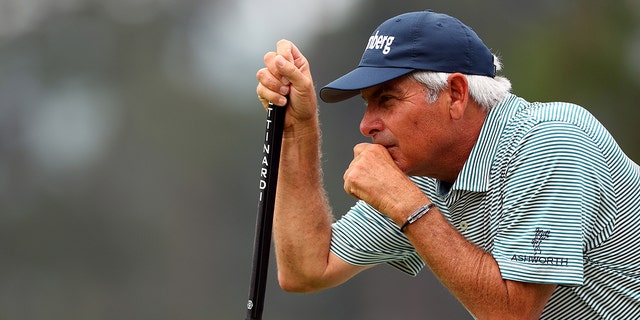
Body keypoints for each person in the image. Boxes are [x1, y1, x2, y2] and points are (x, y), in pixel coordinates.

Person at [255, 10, 640, 319]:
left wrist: (407, 206)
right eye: (367, 103)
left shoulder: (550, 140)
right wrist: (298, 133)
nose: (366, 124)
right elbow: (305, 268)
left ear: (456, 94)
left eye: (387, 101)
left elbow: (512, 315)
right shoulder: (422, 171)